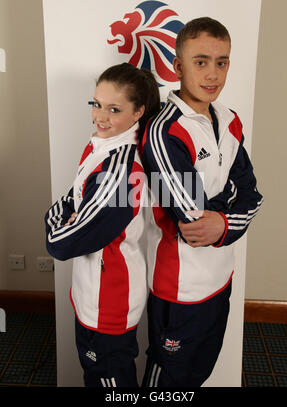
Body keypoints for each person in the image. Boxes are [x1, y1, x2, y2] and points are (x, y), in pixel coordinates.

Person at [141, 17, 263, 387]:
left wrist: (223, 218)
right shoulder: (163, 131)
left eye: (221, 62)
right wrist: (230, 206)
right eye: (200, 62)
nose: (213, 74)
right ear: (177, 66)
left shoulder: (231, 120)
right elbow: (192, 222)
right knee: (167, 380)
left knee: (198, 373)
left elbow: (253, 194)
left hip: (220, 277)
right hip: (179, 286)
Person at [45, 63, 160, 387]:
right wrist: (69, 216)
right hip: (92, 288)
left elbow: (60, 244)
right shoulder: (100, 143)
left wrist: (60, 220)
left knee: (109, 384)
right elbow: (72, 200)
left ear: (138, 112)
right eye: (96, 104)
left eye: (113, 109)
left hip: (109, 300)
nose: (100, 116)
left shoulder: (118, 173)